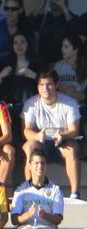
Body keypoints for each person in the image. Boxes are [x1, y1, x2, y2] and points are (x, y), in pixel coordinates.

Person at [20, 70, 82, 200]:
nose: (45, 88)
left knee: (72, 149)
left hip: (63, 141)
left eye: (49, 84)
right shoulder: (31, 104)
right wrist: (37, 136)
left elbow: (75, 130)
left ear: (56, 85)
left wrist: (63, 135)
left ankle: (75, 193)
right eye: (41, 85)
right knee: (29, 146)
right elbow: (26, 131)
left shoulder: (69, 102)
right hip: (41, 142)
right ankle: (30, 189)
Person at [11, 151, 63, 229]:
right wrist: (28, 214)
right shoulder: (21, 189)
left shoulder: (55, 189)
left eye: (43, 163)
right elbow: (14, 220)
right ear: (29, 165)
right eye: (36, 163)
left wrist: (44, 215)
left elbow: (58, 219)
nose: (40, 166)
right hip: (25, 228)